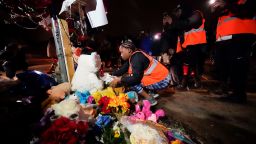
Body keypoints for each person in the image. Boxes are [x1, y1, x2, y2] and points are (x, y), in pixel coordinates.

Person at [210, 0, 256, 103]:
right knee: (223, 67)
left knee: (238, 67)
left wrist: (227, 5)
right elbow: (217, 21)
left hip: (240, 37)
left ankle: (239, 95)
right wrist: (214, 11)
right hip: (223, 39)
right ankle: (226, 89)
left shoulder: (243, 2)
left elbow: (247, 12)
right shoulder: (229, 3)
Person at [109, 40, 171, 106]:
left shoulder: (136, 58)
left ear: (129, 50)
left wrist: (120, 79)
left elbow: (135, 78)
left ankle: (150, 99)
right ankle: (152, 92)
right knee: (131, 77)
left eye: (122, 52)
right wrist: (111, 75)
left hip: (163, 80)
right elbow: (123, 69)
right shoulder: (134, 55)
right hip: (162, 76)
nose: (121, 55)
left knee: (131, 81)